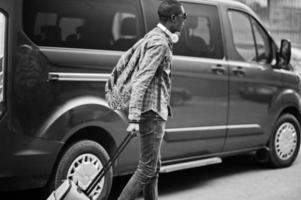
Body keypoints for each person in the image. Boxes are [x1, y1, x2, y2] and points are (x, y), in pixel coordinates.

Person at [118, 0, 186, 199]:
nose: (184, 21)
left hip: (153, 112)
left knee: (153, 168)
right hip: (152, 114)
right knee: (146, 169)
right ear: (173, 18)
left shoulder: (154, 36)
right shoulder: (159, 43)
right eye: (183, 17)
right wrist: (133, 118)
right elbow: (142, 79)